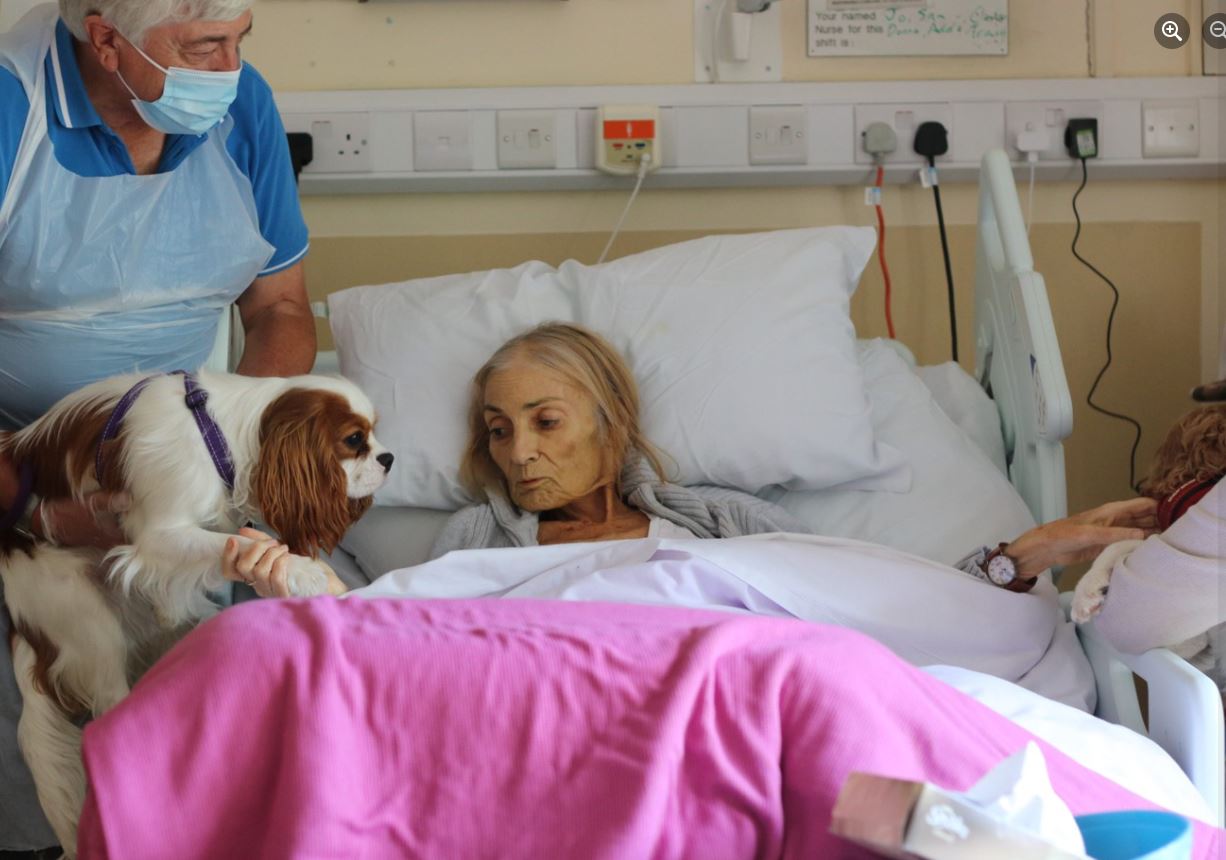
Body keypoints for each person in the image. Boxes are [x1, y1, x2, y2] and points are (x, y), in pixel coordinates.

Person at [0, 0, 314, 850]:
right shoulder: (8, 105)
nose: (231, 68)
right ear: (105, 38)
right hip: (16, 458)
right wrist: (35, 505)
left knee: (274, 637)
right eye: (207, 44)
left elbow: (282, 309)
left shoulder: (239, 105)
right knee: (34, 671)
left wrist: (222, 453)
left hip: (185, 451)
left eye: (240, 41)